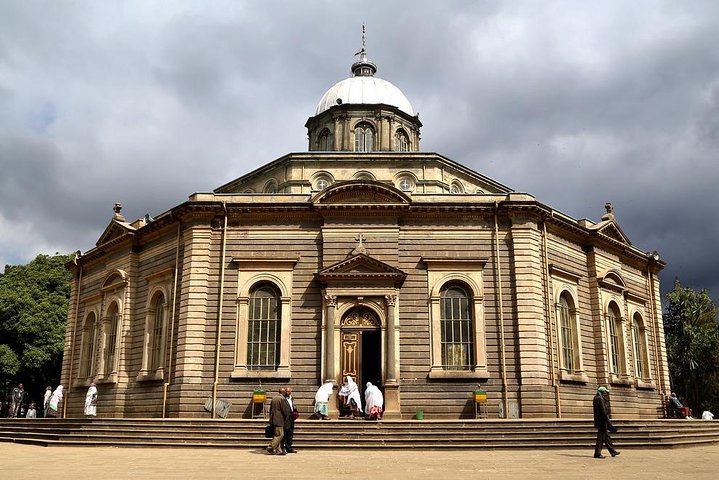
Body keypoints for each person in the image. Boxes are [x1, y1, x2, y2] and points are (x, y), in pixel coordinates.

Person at [593, 386, 619, 458]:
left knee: (605, 437)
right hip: (602, 422)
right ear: (602, 392)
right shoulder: (600, 399)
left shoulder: (596, 398)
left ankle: (612, 451)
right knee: (601, 438)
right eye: (605, 392)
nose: (606, 394)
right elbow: (604, 412)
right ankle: (597, 453)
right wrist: (608, 423)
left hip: (599, 421)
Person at [266, 387, 291, 455]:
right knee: (280, 434)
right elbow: (285, 410)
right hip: (279, 420)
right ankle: (271, 447)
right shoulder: (282, 399)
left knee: (277, 434)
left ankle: (278, 450)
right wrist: (287, 417)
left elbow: (270, 409)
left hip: (273, 418)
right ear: (283, 392)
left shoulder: (274, 398)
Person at [282, 387, 299, 453]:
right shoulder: (283, 399)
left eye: (289, 391)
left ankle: (289, 447)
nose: (287, 392)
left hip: (291, 418)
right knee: (285, 433)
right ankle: (284, 447)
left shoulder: (292, 398)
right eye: (286, 391)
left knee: (290, 433)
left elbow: (293, 406)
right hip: (285, 418)